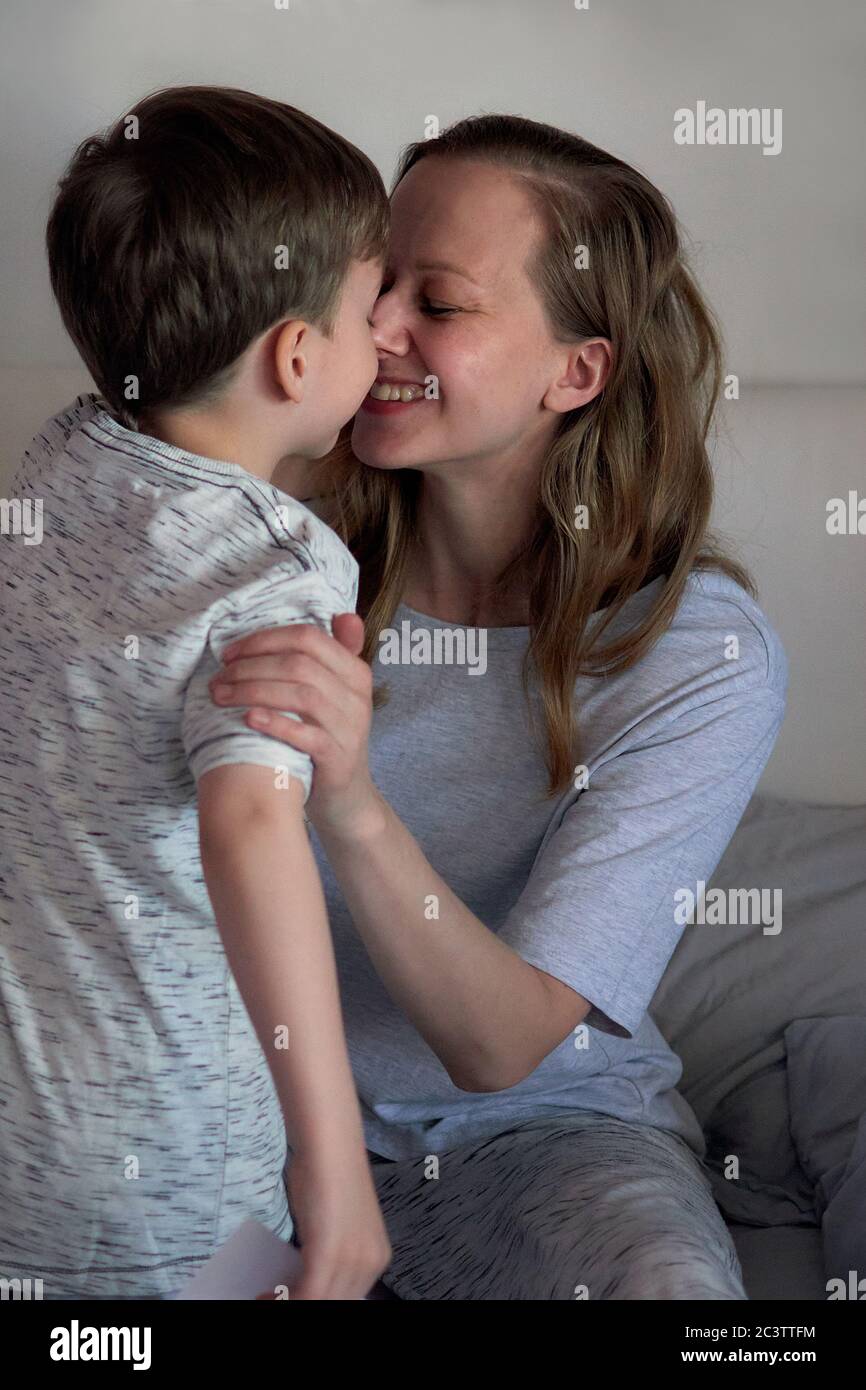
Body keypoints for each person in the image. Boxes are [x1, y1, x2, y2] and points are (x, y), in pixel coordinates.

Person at [210, 114, 788, 1300]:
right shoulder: (266, 552)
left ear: (574, 372)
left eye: (441, 301)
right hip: (250, 1123)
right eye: (377, 283)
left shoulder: (694, 655)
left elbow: (500, 1045)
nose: (373, 328)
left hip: (540, 1138)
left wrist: (354, 800)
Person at [0, 85, 392, 1300]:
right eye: (376, 312)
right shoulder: (272, 565)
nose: (389, 345)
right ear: (294, 354)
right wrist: (335, 1172)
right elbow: (254, 818)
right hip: (167, 1161)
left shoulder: (54, 465)